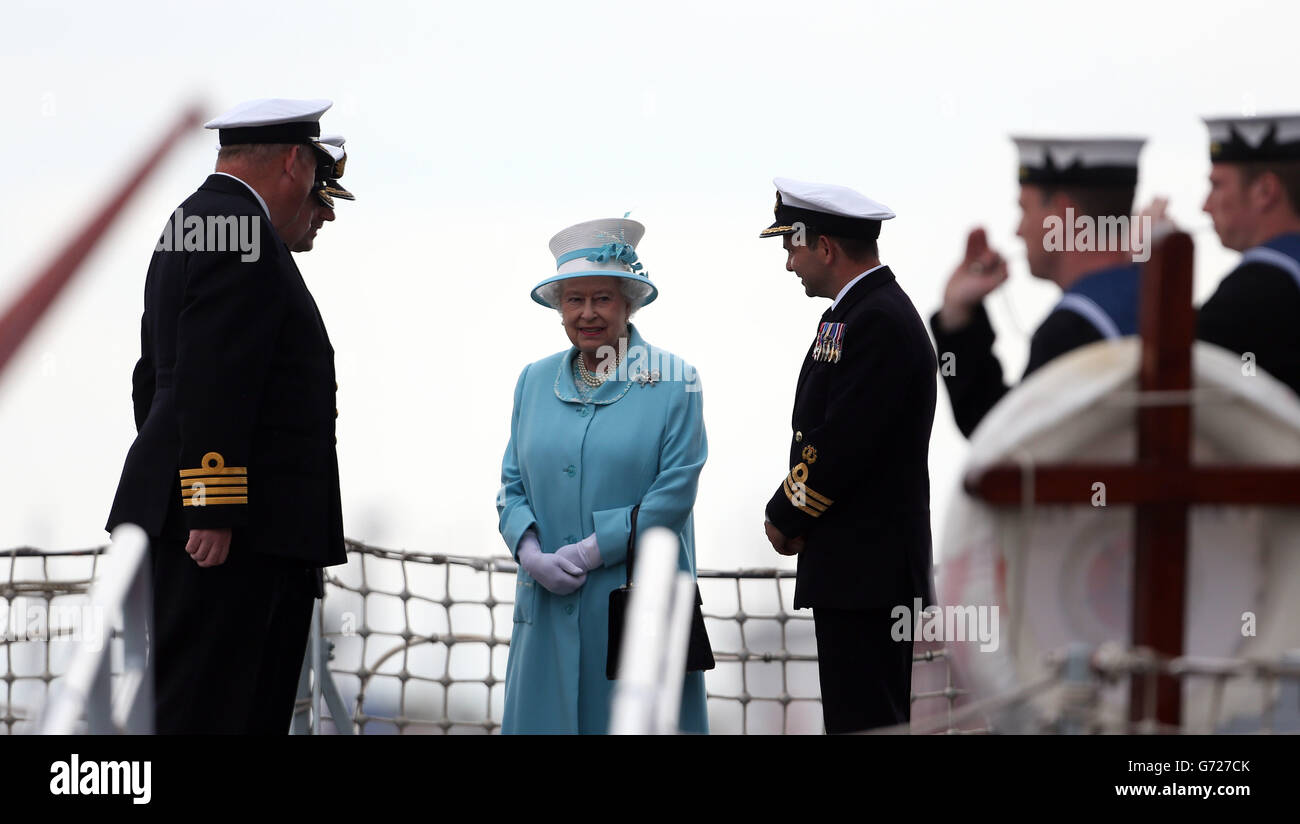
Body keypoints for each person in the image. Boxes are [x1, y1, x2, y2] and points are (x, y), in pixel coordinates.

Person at [105, 98, 348, 734]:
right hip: (234, 537)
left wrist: (179, 487)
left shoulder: (196, 220)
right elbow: (215, 372)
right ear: (295, 161)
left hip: (211, 520)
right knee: (218, 708)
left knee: (204, 701)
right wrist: (210, 503)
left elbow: (154, 378)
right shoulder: (242, 232)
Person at [496, 217, 709, 734]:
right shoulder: (533, 379)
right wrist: (530, 553)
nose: (587, 313)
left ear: (628, 303)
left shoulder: (675, 381)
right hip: (547, 603)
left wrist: (593, 549)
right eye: (574, 300)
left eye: (602, 299)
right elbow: (511, 485)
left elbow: (674, 494)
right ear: (559, 308)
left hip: (638, 608)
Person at [758, 178, 936, 733]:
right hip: (857, 571)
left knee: (865, 724)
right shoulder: (860, 312)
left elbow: (843, 444)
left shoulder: (876, 320)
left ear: (826, 247)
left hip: (867, 574)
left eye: (793, 246)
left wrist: (785, 516)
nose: (790, 264)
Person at [931, 137, 1146, 437]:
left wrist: (955, 323)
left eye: (1025, 209)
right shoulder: (1163, 300)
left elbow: (999, 442)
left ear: (1060, 214)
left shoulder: (1071, 330)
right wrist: (958, 315)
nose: (1018, 230)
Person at [1197, 113, 1300, 397]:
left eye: (1217, 186)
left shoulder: (1257, 288)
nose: (1204, 206)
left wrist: (1148, 267)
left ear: (1265, 191)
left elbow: (1169, 369)